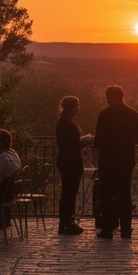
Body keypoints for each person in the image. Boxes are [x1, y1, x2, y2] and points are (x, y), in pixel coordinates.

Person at [92, 85, 138, 239]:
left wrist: (97, 161)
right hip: (127, 160)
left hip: (108, 160)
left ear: (111, 97)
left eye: (107, 97)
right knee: (125, 194)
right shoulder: (133, 113)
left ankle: (107, 229)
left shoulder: (104, 114)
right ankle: (126, 230)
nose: (106, 100)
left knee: (106, 195)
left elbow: (98, 141)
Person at [55, 96, 93, 235]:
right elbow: (72, 143)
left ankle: (68, 222)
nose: (79, 108)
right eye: (77, 105)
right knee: (69, 193)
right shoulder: (66, 124)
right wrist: (87, 139)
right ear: (70, 107)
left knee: (70, 193)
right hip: (70, 162)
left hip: (69, 161)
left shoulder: (65, 123)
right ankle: (66, 223)